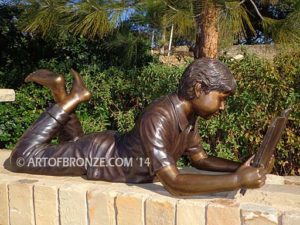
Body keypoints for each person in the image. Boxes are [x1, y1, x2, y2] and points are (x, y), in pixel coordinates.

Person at [10, 58, 269, 196]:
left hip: (104, 149)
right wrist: (235, 180)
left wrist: (241, 167)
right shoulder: (158, 116)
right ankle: (73, 97)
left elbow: (199, 159)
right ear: (199, 88)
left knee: (69, 144)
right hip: (96, 157)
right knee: (22, 159)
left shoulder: (189, 117)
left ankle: (61, 92)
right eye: (221, 99)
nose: (223, 107)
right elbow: (174, 183)